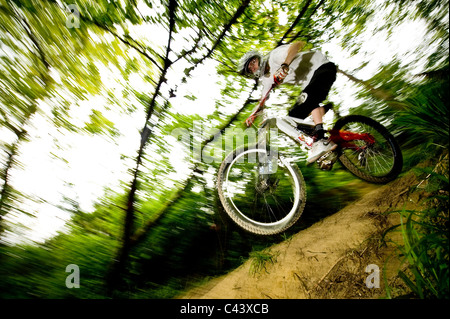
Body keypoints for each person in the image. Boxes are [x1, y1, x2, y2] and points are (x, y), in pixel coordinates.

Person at [238, 41, 337, 163]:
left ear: (258, 58)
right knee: (293, 117)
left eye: (253, 62)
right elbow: (262, 100)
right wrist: (253, 115)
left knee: (307, 98)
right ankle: (320, 120)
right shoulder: (267, 79)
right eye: (250, 69)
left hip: (323, 67)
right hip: (311, 82)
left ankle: (321, 140)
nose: (253, 66)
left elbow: (297, 45)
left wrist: (285, 65)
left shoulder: (274, 56)